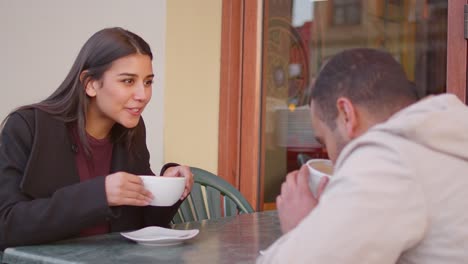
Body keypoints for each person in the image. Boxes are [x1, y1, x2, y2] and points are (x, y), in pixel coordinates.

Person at [258, 48, 468, 263]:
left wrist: (302, 229)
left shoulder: (389, 160)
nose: (329, 157)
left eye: (324, 140)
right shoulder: (442, 143)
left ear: (347, 115)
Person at [0, 27, 194, 250]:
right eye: (128, 81)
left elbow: (145, 223)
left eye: (148, 82)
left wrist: (170, 186)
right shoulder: (27, 126)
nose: (143, 95)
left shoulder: (131, 128)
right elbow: (7, 225)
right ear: (90, 83)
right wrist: (99, 195)